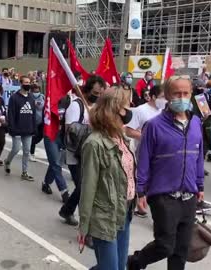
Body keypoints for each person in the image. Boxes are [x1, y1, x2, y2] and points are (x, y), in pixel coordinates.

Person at [127, 76, 205, 270]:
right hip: (163, 196)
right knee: (165, 246)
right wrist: (141, 191)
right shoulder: (154, 125)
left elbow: (199, 157)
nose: (182, 97)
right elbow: (144, 159)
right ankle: (135, 261)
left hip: (189, 196)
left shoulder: (196, 123)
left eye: (185, 93)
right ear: (168, 96)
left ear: (191, 94)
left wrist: (200, 185)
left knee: (181, 250)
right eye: (176, 93)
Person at [78, 87, 135, 270]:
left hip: (124, 211)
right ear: (115, 109)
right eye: (127, 106)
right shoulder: (94, 144)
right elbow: (88, 187)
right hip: (104, 216)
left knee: (119, 266)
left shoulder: (121, 137)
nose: (130, 110)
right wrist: (84, 226)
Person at [59, 75, 106, 226]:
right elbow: (69, 129)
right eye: (95, 92)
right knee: (84, 188)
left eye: (100, 94)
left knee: (84, 187)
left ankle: (67, 210)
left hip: (91, 152)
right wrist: (89, 128)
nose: (97, 96)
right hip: (75, 153)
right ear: (88, 89)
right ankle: (87, 227)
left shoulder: (96, 107)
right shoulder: (76, 105)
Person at [125, 85, 165, 218]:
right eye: (162, 97)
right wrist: (148, 138)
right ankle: (139, 204)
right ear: (153, 97)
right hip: (142, 151)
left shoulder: (164, 111)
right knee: (143, 179)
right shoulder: (140, 111)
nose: (165, 100)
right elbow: (129, 131)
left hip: (160, 153)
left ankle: (150, 206)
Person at [4, 75, 36, 181]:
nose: (27, 84)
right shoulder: (14, 97)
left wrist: (34, 127)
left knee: (26, 151)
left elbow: (33, 113)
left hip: (28, 129)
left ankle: (24, 172)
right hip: (17, 129)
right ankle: (7, 161)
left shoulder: (31, 97)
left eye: (29, 82)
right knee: (16, 149)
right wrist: (12, 128)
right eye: (25, 82)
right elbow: (11, 114)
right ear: (21, 83)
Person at [30, 84, 45, 162]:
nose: (37, 91)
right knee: (34, 136)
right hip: (32, 120)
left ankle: (29, 144)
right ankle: (31, 153)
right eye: (35, 90)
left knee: (41, 136)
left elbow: (42, 106)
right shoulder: (29, 97)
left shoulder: (42, 97)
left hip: (41, 120)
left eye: (38, 89)